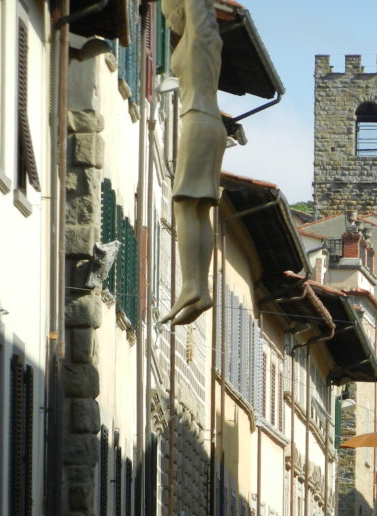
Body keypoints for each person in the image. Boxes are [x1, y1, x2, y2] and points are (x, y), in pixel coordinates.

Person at [160, 0, 227, 325]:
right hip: (211, 124)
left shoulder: (198, 37)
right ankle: (199, 286)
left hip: (197, 121)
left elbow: (198, 8)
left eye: (168, 13)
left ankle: (192, 284)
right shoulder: (209, 41)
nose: (168, 21)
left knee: (185, 204)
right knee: (199, 207)